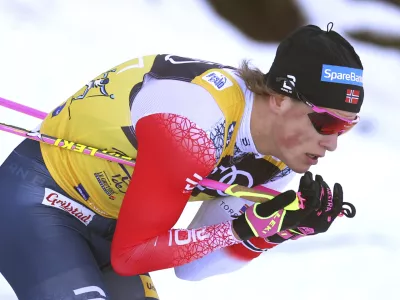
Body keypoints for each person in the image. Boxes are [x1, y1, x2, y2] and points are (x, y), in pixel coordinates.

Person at [0, 23, 362, 300]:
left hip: (112, 226)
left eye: (345, 128)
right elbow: (131, 256)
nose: (331, 143)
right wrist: (241, 230)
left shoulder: (279, 159)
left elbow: (191, 268)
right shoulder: (195, 121)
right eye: (326, 122)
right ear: (281, 99)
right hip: (41, 200)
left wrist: (273, 232)